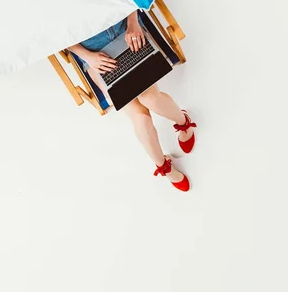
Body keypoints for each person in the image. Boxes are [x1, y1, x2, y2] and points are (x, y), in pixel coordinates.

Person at [68, 11, 197, 192]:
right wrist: (87, 56)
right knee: (140, 117)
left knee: (150, 98)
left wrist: (133, 22)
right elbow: (53, 35)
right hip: (95, 55)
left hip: (127, 32)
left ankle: (183, 122)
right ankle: (164, 166)